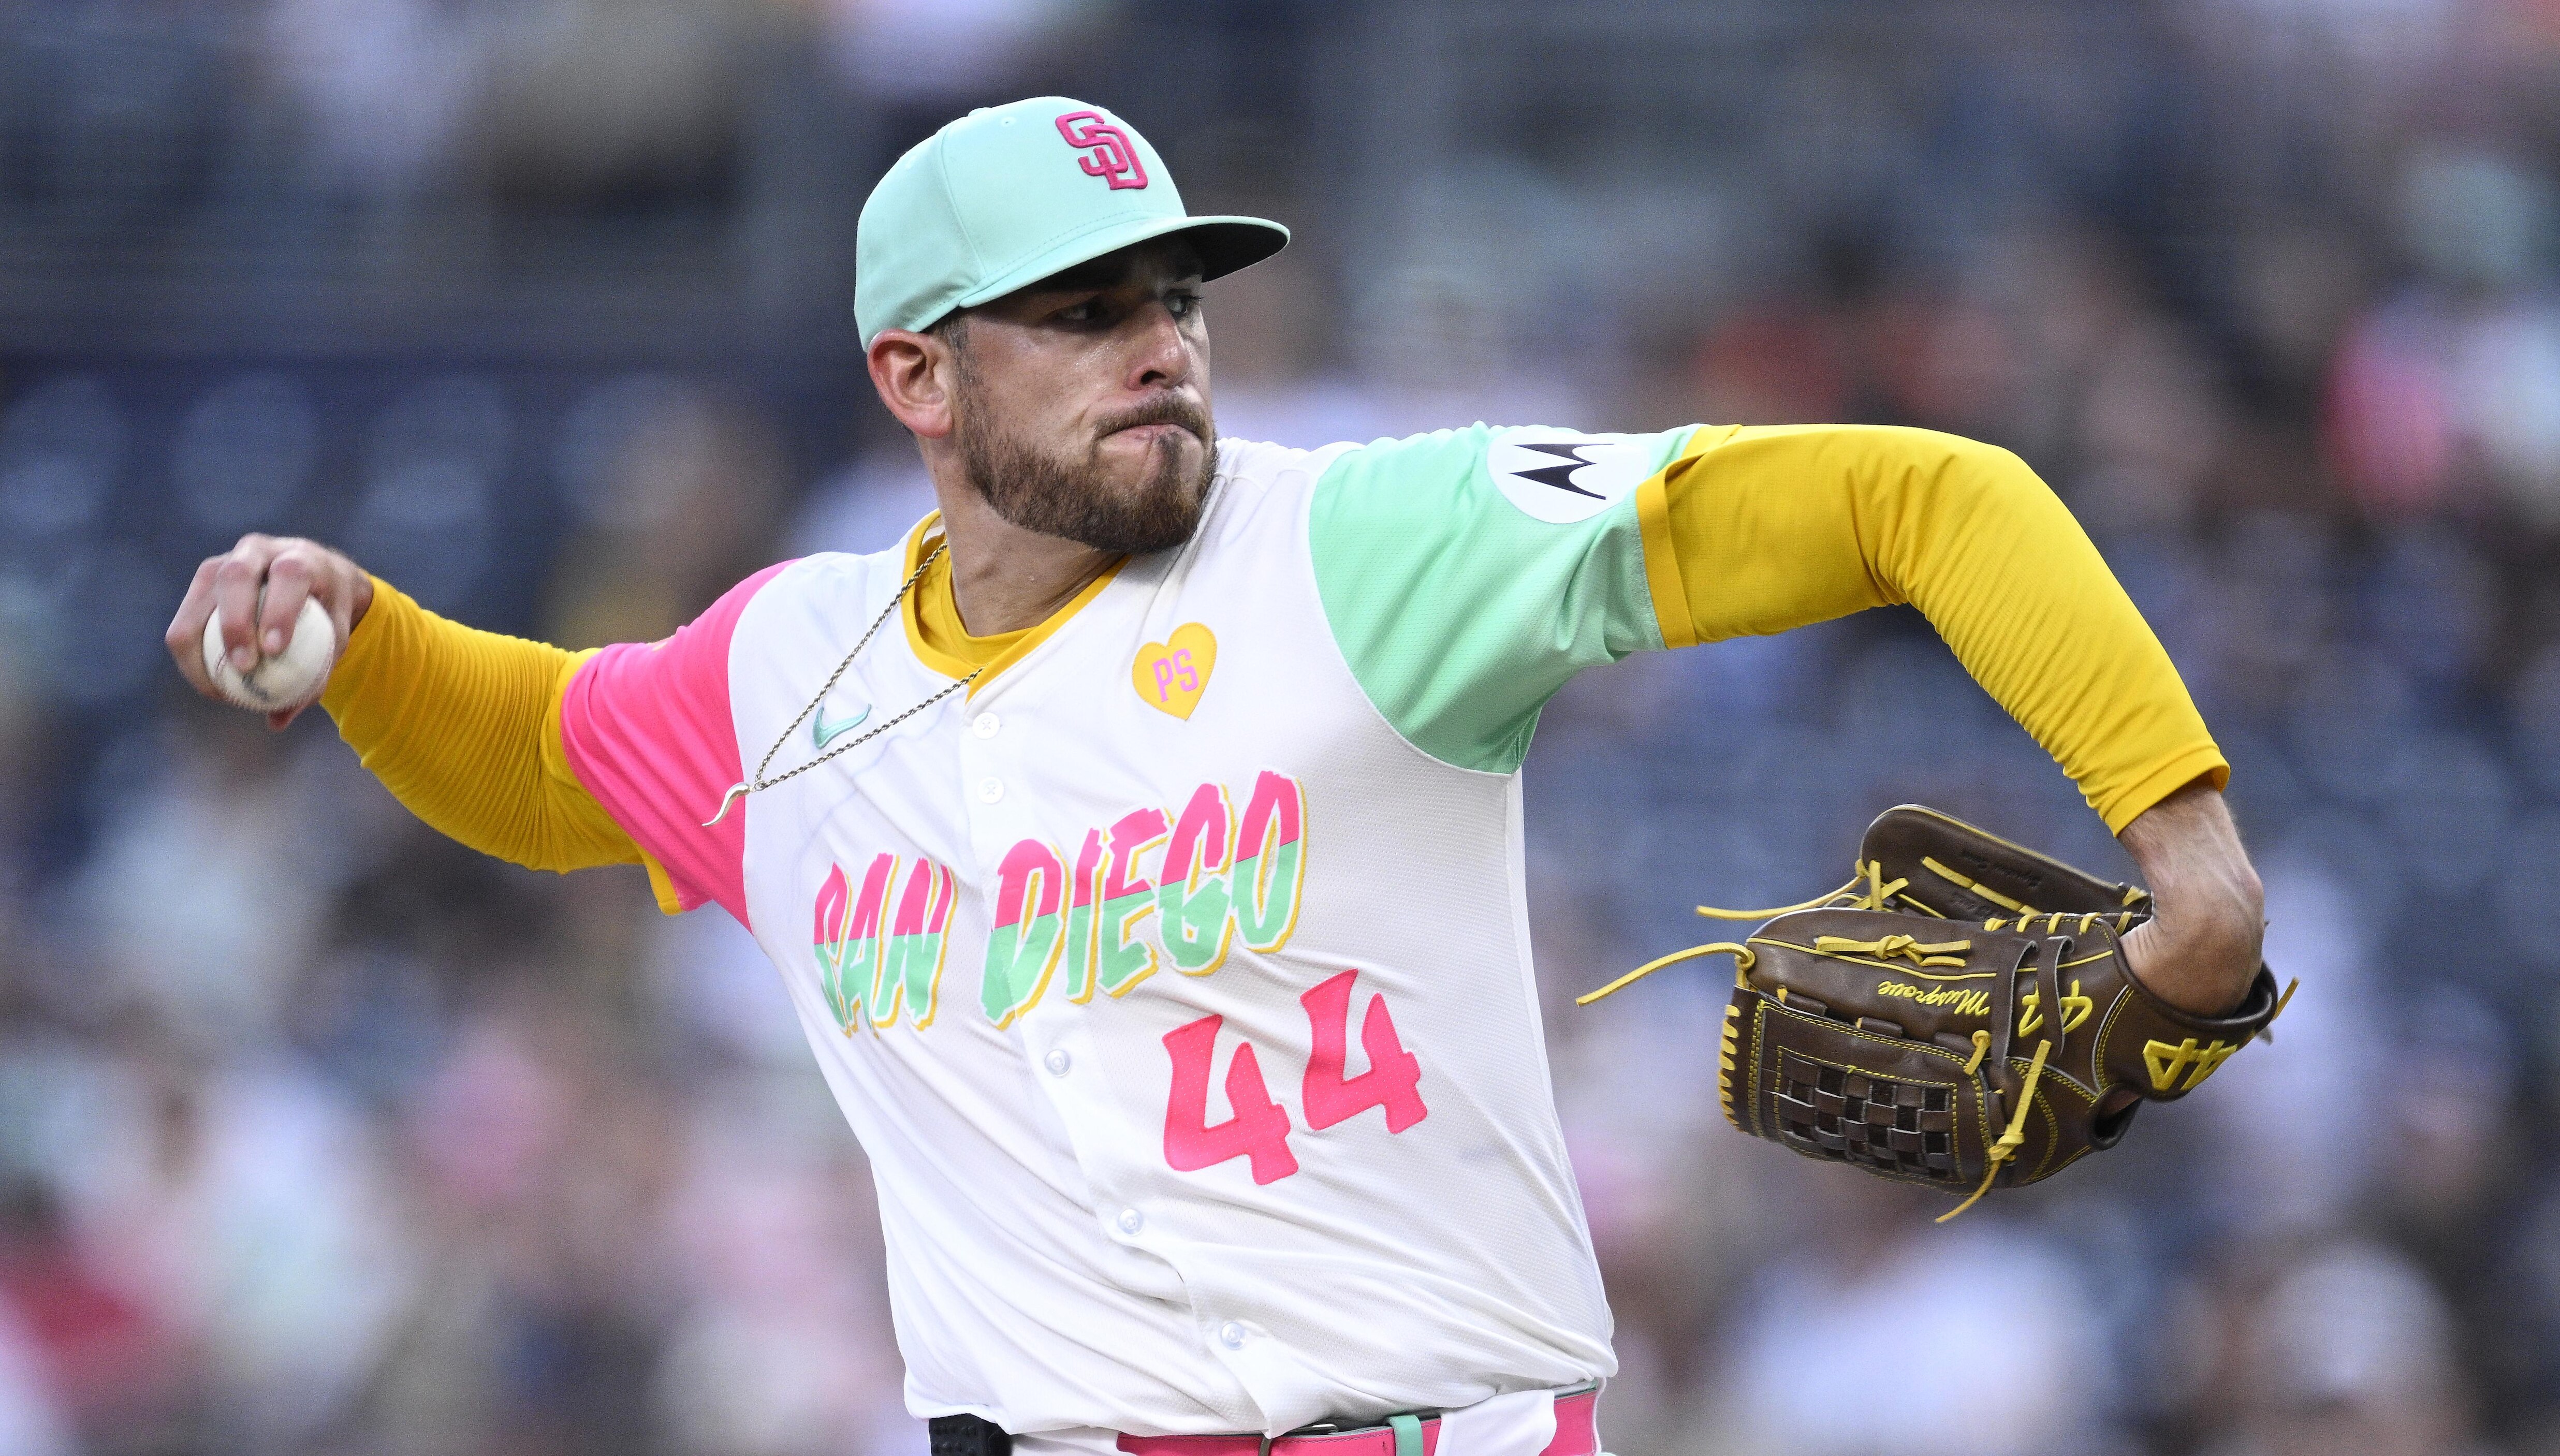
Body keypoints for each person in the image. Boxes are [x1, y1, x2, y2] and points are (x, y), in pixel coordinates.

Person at [164, 97, 2265, 1456]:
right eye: (1078, 312)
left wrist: (2186, 858)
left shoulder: (1371, 544)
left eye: (1172, 293)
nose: (1159, 340)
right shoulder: (781, 676)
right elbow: (537, 753)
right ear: (914, 375)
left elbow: (1926, 491)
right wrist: (362, 634)